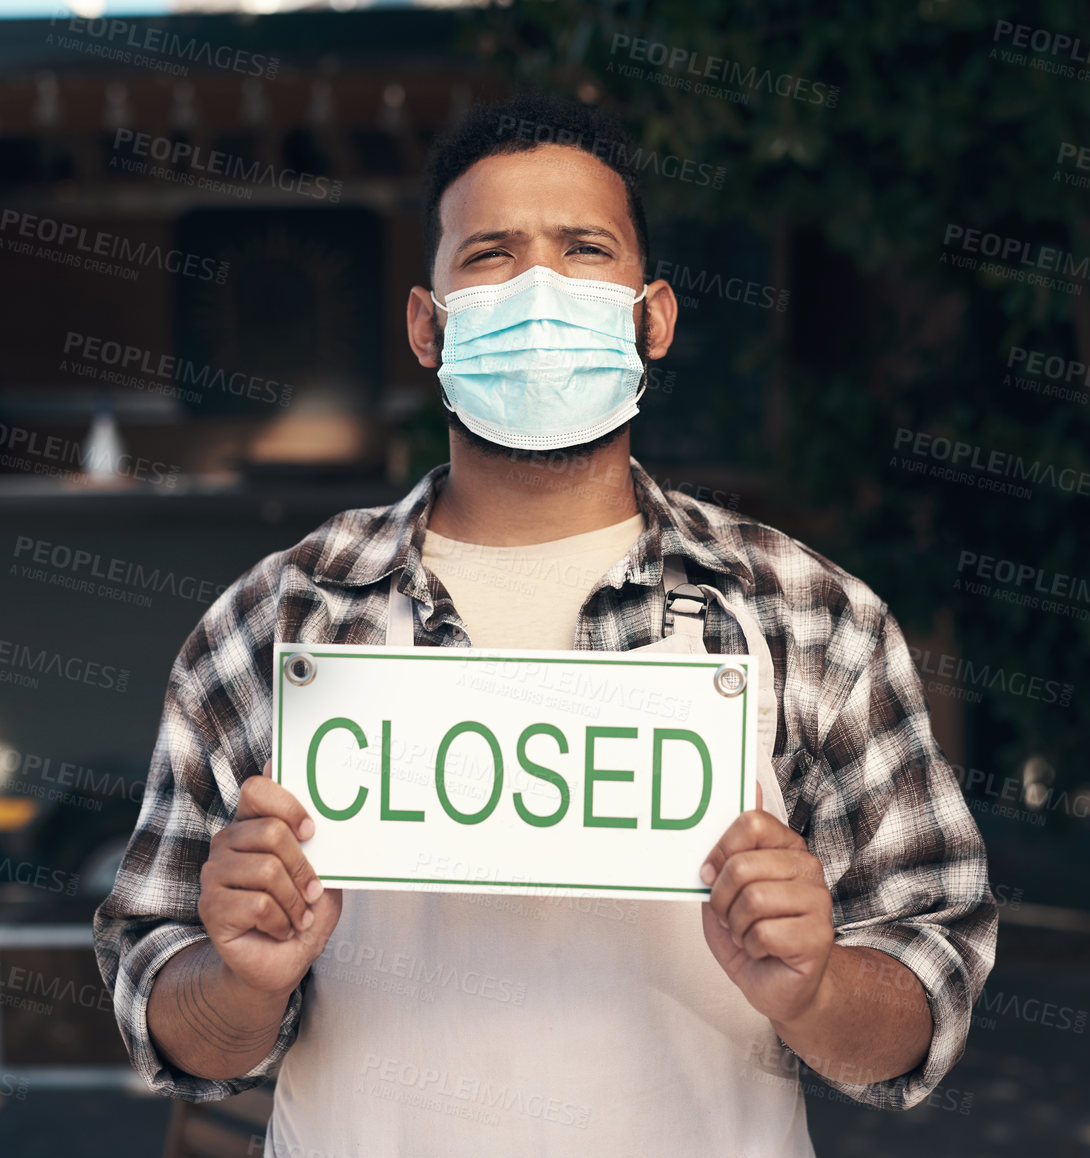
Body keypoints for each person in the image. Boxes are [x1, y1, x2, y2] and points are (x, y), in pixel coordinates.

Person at [94, 91, 996, 1156]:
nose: (539, 288)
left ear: (652, 317)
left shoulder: (808, 618)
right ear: (427, 326)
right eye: (490, 254)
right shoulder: (274, 621)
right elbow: (172, 1019)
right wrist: (241, 977)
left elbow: (915, 1010)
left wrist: (816, 984)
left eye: (583, 249)